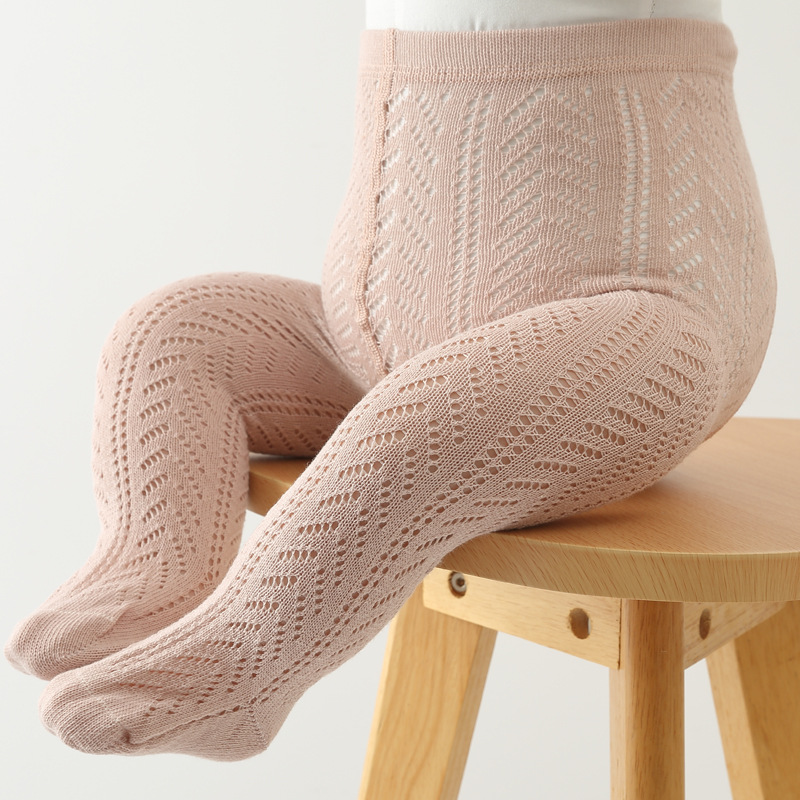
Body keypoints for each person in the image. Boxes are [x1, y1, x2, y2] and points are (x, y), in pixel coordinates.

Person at [5, 0, 776, 760]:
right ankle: (153, 573)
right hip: (371, 329)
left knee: (428, 416)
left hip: (641, 320)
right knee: (174, 333)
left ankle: (246, 657)